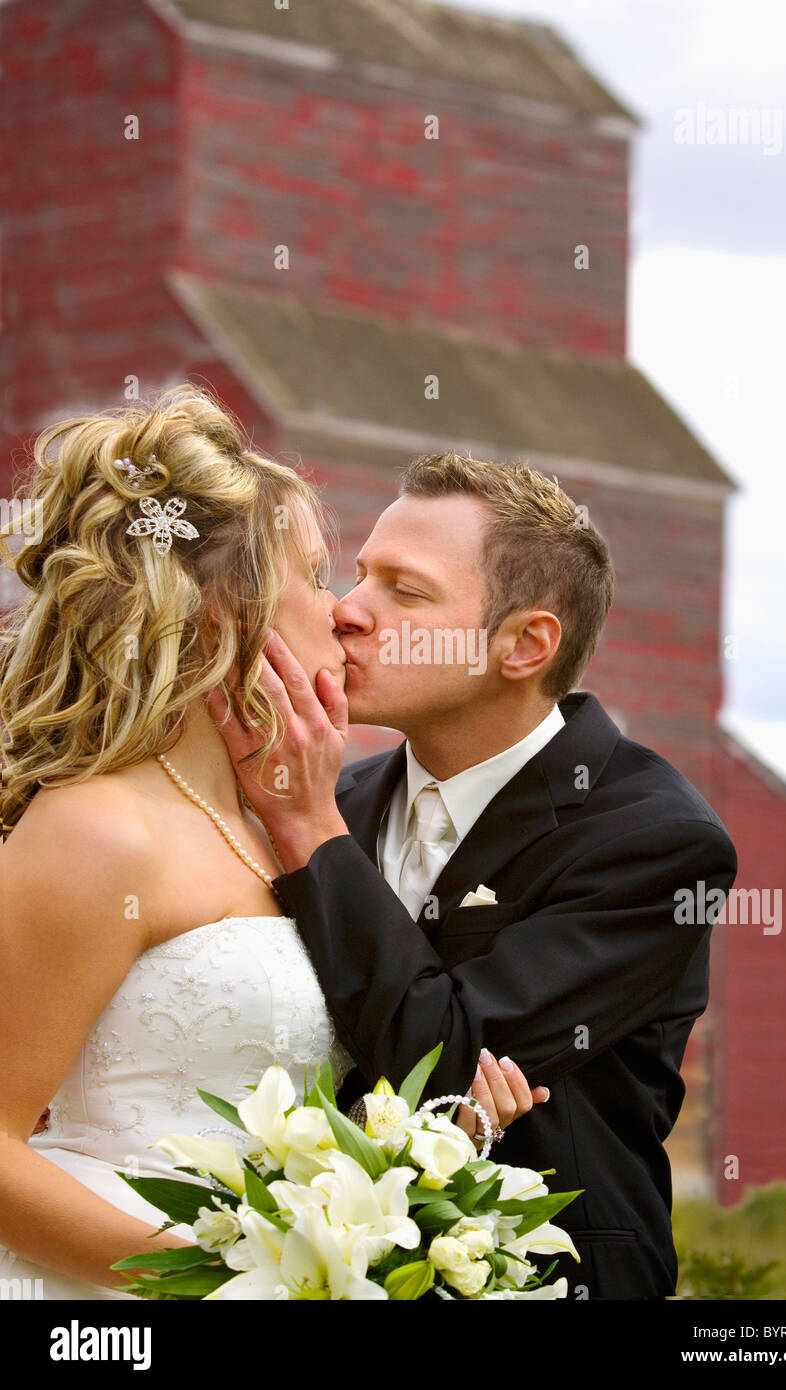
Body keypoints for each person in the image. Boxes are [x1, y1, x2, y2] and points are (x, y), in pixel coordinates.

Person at [0, 387, 534, 1300]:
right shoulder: (96, 828)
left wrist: (441, 1146)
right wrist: (210, 1279)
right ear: (226, 603)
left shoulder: (276, 831)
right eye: (319, 576)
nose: (344, 613)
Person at [209, 452, 739, 1300]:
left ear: (524, 644)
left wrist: (308, 829)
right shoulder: (338, 798)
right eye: (359, 577)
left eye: (405, 593)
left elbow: (446, 1060)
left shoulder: (658, 841)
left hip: (553, 1277)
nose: (348, 612)